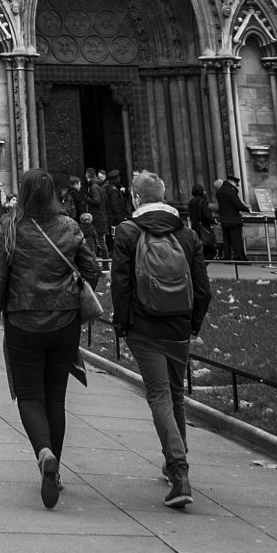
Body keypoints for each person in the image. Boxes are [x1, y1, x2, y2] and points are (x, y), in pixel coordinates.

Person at [0, 168, 101, 510]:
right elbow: (91, 269)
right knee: (55, 399)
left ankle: (43, 453)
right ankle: (55, 471)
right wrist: (71, 290)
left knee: (30, 396)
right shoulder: (70, 227)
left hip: (23, 322)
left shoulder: (11, 226)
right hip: (64, 323)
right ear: (54, 194)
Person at [110, 168, 211, 510]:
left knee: (158, 395)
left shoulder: (127, 231)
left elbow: (120, 285)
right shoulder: (187, 234)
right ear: (164, 196)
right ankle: (173, 464)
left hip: (144, 327)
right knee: (176, 394)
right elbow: (203, 289)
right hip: (179, 326)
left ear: (136, 198)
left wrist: (122, 324)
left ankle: (179, 472)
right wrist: (192, 323)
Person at [214, 174, 252, 261]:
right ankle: (238, 257)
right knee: (236, 239)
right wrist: (247, 209)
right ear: (233, 182)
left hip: (224, 218)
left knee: (227, 239)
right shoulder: (231, 190)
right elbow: (237, 204)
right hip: (234, 218)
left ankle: (226, 256)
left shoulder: (219, 191)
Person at [186, 180, 218, 260]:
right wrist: (214, 221)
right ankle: (202, 264)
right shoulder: (202, 201)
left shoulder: (191, 202)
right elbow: (206, 215)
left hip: (195, 227)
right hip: (204, 227)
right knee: (211, 250)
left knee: (199, 247)